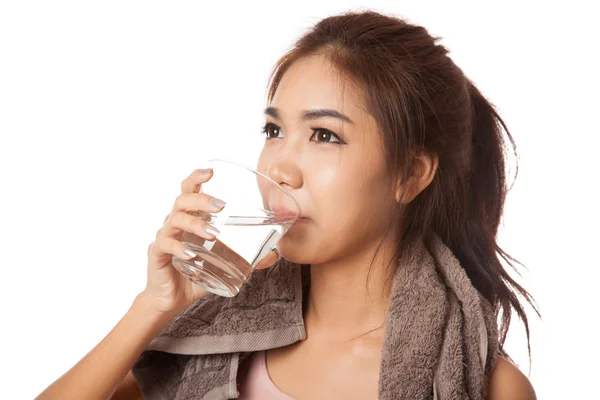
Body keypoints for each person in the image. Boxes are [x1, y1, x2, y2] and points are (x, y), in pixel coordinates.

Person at [36, 9, 539, 400]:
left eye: (324, 135)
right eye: (274, 130)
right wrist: (152, 308)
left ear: (410, 174)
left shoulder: (487, 384)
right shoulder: (212, 345)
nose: (278, 168)